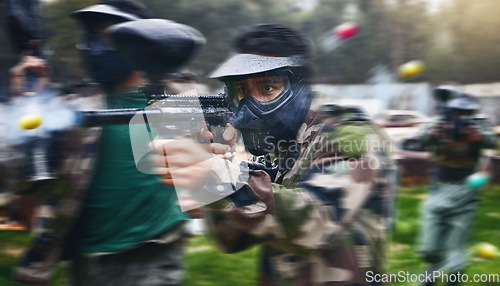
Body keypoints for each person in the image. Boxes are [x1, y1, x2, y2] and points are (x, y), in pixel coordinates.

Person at [151, 24, 397, 285]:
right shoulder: (279, 146)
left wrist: (218, 177)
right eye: (242, 91)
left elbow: (316, 222)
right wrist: (206, 177)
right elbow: (232, 240)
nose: (251, 104)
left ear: (300, 84)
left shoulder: (352, 135)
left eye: (268, 88)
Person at [13, 1, 204, 285]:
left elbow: (209, 185)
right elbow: (23, 178)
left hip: (152, 256)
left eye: (108, 35)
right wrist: (27, 103)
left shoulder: (178, 101)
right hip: (86, 263)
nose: (95, 45)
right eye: (90, 35)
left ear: (144, 43)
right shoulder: (73, 107)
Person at [416, 87, 497, 286]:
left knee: (456, 255)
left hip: (466, 193)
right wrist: (433, 134)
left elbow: (493, 142)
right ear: (450, 110)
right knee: (428, 249)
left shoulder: (479, 126)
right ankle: (433, 268)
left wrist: (480, 137)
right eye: (458, 112)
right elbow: (421, 139)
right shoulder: (440, 123)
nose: (461, 117)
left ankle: (449, 277)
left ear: (473, 113)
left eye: (467, 113)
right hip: (439, 189)